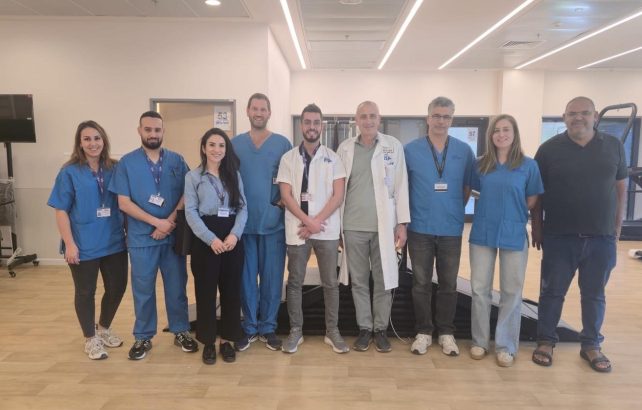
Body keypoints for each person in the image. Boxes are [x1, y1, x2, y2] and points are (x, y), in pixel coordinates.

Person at [531, 96, 627, 373]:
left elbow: (620, 188)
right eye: (572, 113)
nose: (578, 118)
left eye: (584, 113)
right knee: (551, 292)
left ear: (595, 116)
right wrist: (537, 227)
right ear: (564, 117)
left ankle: (591, 344)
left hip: (601, 237)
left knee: (594, 294)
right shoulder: (548, 150)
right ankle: (545, 341)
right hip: (559, 237)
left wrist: (617, 226)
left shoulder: (614, 146)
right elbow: (537, 193)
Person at [108, 111, 197, 360]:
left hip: (172, 237)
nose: (153, 134)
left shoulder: (177, 161)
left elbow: (188, 192)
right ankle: (143, 336)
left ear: (163, 131)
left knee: (177, 287)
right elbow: (124, 203)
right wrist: (157, 222)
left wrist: (169, 222)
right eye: (148, 129)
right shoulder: (126, 164)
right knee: (143, 289)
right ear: (139, 131)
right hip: (141, 238)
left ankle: (181, 330)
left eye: (157, 130)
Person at [48, 120, 128, 360]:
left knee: (117, 287)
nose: (93, 143)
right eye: (87, 139)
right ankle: (90, 338)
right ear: (80, 143)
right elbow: (61, 210)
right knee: (85, 292)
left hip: (114, 240)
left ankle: (103, 328)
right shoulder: (69, 172)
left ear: (104, 141)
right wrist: (70, 244)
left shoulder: (115, 168)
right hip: (83, 243)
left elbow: (124, 203)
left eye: (97, 138)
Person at [468, 114, 544, 367]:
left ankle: (506, 346)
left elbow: (532, 198)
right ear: (490, 135)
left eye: (506, 129)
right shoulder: (481, 165)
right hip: (483, 231)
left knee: (511, 292)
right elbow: (471, 189)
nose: (501, 134)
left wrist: (513, 212)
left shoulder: (528, 165)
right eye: (496, 130)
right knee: (480, 289)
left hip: (513, 231)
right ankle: (479, 342)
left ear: (514, 134)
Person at [337, 101, 410, 353]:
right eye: (363, 116)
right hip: (352, 225)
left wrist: (402, 223)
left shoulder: (393, 146)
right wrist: (337, 228)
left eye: (372, 116)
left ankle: (380, 329)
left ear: (379, 119)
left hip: (384, 226)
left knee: (383, 280)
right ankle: (364, 328)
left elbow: (401, 185)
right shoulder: (345, 148)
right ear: (356, 120)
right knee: (358, 281)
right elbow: (337, 189)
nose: (368, 120)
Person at [404, 96, 474, 357]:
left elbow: (467, 188)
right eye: (436, 115)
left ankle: (446, 332)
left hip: (450, 229)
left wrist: (451, 209)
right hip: (419, 227)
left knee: (448, 283)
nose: (441, 121)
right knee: (420, 283)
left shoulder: (463, 151)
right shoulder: (410, 150)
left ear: (451, 120)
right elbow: (403, 188)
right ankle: (423, 331)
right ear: (428, 118)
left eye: (446, 116)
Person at [277, 103, 349, 354]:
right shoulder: (288, 158)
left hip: (326, 230)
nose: (312, 127)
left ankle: (332, 331)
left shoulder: (334, 158)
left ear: (322, 126)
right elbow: (286, 196)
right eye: (307, 122)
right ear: (301, 125)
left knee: (330, 282)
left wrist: (316, 222)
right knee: (295, 282)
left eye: (316, 122)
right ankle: (296, 331)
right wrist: (308, 222)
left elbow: (338, 196)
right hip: (298, 229)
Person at [232, 93, 292, 351]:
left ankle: (268, 327)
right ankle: (249, 327)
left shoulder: (282, 144)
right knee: (246, 279)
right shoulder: (235, 144)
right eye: (254, 108)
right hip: (243, 224)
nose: (258, 113)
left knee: (272, 278)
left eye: (263, 109)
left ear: (269, 113)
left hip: (273, 223)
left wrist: (280, 203)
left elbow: (292, 178)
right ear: (247, 111)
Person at [184, 128, 247, 364]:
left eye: (221, 145)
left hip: (231, 237)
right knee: (205, 292)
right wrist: (210, 239)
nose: (216, 149)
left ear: (226, 149)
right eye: (212, 145)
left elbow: (243, 207)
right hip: (205, 239)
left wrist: (235, 235)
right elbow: (190, 212)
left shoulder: (234, 175)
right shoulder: (193, 177)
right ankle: (208, 342)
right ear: (204, 148)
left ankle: (227, 340)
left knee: (231, 291)